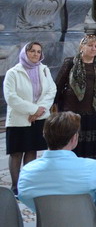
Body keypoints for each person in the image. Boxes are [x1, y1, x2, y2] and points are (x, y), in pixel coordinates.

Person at [4, 42, 56, 193]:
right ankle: (15, 186)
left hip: (39, 118)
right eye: (32, 51)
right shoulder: (13, 72)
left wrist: (39, 111)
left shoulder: (44, 70)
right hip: (19, 119)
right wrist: (33, 109)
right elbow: (11, 97)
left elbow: (51, 91)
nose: (35, 54)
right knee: (16, 152)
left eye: (38, 52)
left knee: (31, 150)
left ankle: (26, 183)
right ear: (25, 53)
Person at [54, 34, 96, 161]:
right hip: (72, 110)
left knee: (93, 144)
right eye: (90, 45)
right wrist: (53, 107)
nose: (93, 48)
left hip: (94, 111)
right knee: (72, 139)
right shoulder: (70, 62)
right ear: (82, 46)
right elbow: (58, 85)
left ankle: (92, 166)